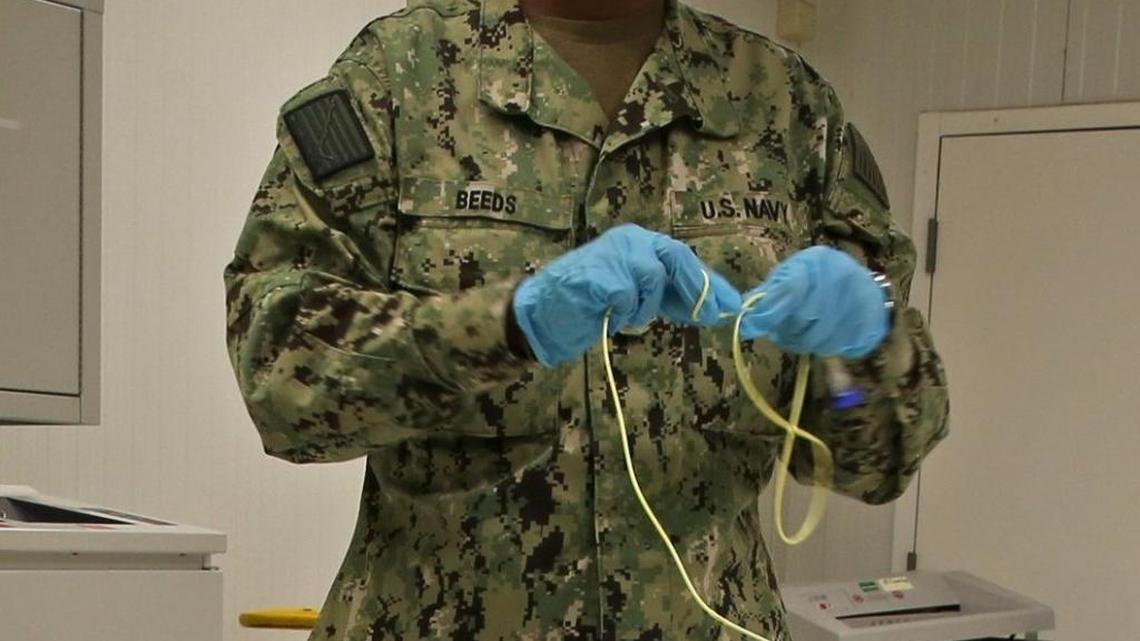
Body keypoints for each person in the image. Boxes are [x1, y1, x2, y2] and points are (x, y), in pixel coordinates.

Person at [224, 0, 949, 639]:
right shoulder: (398, 81)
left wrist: (866, 348)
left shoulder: (785, 109)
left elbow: (878, 458)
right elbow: (282, 379)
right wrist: (506, 328)